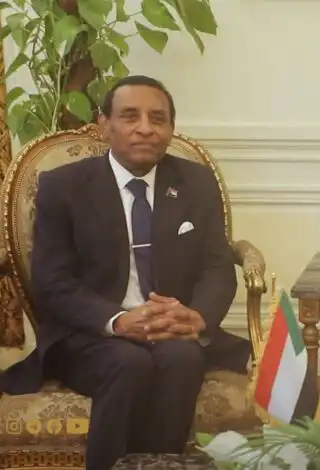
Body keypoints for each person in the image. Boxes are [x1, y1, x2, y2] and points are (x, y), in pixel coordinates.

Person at [0, 75, 252, 469]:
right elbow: (53, 282)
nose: (145, 128)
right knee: (128, 363)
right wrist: (117, 320)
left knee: (183, 359)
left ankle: (162, 465)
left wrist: (196, 316)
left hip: (171, 328)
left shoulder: (196, 183)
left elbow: (218, 266)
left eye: (158, 118)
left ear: (170, 128)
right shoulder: (63, 186)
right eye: (130, 116)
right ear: (105, 124)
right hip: (92, 334)